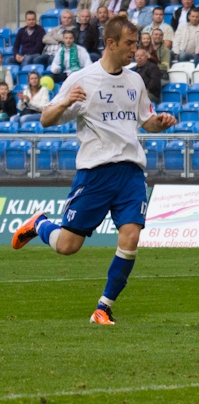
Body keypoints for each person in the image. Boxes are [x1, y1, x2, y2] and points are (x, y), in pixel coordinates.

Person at [11, 16, 177, 326]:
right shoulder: (82, 79)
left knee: (131, 236)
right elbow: (46, 119)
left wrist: (160, 122)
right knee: (67, 246)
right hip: (95, 172)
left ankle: (104, 307)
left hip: (130, 172)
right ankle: (41, 224)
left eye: (136, 42)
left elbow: (146, 122)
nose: (135, 48)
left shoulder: (135, 80)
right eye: (129, 43)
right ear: (111, 43)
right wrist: (64, 104)